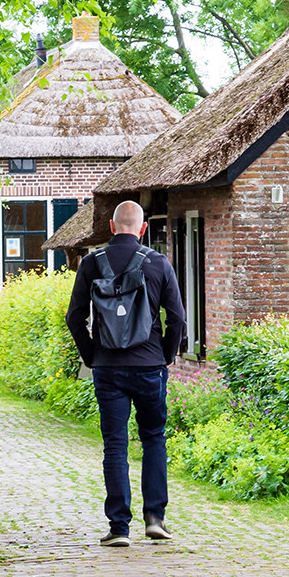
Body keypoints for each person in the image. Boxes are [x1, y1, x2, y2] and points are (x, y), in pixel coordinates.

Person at [65, 200, 186, 547]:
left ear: (113, 227)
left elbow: (75, 318)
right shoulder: (158, 263)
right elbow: (177, 318)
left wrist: (93, 357)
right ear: (143, 229)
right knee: (153, 439)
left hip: (108, 369)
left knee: (115, 445)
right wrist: (163, 358)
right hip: (149, 366)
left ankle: (119, 528)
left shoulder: (91, 263)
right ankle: (155, 518)